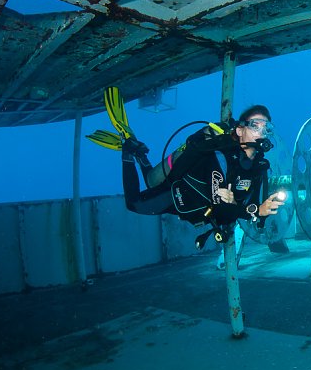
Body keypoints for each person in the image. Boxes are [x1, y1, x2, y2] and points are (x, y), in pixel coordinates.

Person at [87, 87, 286, 249]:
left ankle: (139, 152)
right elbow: (222, 210)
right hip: (179, 195)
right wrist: (255, 210)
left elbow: (241, 204)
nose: (262, 132)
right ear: (240, 130)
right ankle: (127, 149)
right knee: (134, 203)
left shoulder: (259, 166)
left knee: (150, 179)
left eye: (266, 128)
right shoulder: (221, 157)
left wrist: (251, 208)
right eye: (255, 125)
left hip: (198, 208)